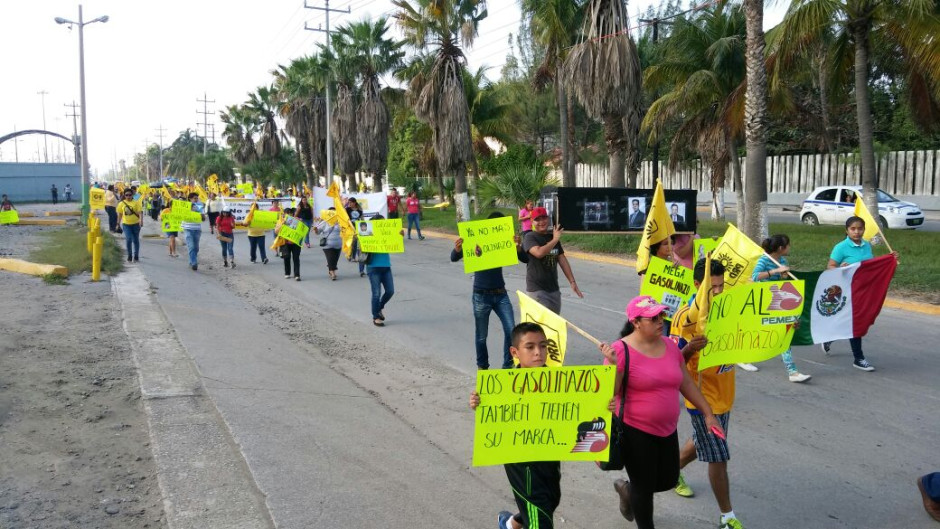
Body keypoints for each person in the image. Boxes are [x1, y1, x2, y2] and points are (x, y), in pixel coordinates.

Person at [602, 296, 724, 529]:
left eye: (661, 316)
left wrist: (708, 414)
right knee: (644, 487)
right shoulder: (619, 351)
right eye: (653, 318)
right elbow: (611, 393)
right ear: (636, 322)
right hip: (634, 428)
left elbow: (685, 382)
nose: (661, 321)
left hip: (667, 428)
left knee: (668, 478)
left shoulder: (669, 346)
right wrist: (613, 365)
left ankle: (628, 489)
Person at [670, 259, 744, 529]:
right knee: (718, 455)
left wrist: (783, 328)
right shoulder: (685, 317)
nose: (719, 292)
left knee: (703, 443)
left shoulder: (730, 308)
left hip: (725, 395)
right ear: (697, 286)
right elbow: (673, 360)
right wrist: (690, 348)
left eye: (722, 286)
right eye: (712, 288)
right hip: (702, 401)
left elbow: (750, 335)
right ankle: (728, 517)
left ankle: (662, 474)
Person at [469, 323, 561, 529]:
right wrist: (478, 404)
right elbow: (493, 413)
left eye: (543, 346)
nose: (538, 352)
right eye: (530, 347)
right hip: (521, 461)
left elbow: (581, 407)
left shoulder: (559, 381)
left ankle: (511, 523)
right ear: (515, 352)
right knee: (539, 516)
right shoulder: (503, 385)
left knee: (551, 499)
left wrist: (603, 405)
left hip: (549, 456)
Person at [821, 216, 899, 371]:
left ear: (864, 229)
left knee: (854, 319)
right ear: (847, 230)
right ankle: (858, 358)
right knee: (855, 322)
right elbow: (830, 267)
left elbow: (870, 266)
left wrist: (890, 260)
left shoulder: (866, 246)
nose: (857, 232)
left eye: (860, 228)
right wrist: (841, 268)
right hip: (848, 290)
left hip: (865, 290)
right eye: (853, 229)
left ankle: (830, 337)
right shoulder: (841, 247)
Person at [450, 211, 517, 370]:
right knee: (481, 335)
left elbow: (522, 257)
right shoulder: (476, 239)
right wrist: (458, 248)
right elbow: (453, 257)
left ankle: (507, 367)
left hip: (501, 293)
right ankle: (483, 366)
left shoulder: (504, 243)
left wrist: (518, 246)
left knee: (512, 330)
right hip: (481, 295)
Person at [749, 234, 811, 382]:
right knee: (759, 332)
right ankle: (742, 357)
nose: (790, 247)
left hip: (776, 302)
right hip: (763, 302)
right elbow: (755, 276)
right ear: (780, 248)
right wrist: (775, 271)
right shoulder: (765, 260)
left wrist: (783, 276)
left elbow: (780, 281)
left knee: (783, 333)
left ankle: (792, 372)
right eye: (788, 245)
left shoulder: (782, 260)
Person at [523, 207, 583, 313]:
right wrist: (555, 240)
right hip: (537, 290)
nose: (541, 222)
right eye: (538, 220)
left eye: (544, 218)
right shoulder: (530, 237)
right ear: (532, 221)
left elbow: (562, 259)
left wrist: (572, 282)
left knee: (553, 326)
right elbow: (539, 253)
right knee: (540, 327)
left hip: (553, 290)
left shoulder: (552, 237)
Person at [366, 214, 399, 326]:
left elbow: (394, 241)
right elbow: (362, 247)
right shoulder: (368, 232)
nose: (384, 224)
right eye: (381, 222)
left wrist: (399, 235)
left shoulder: (386, 232)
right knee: (376, 293)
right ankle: (375, 317)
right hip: (373, 267)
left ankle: (379, 307)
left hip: (386, 266)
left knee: (390, 291)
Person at [314, 208, 342, 280]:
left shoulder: (340, 222)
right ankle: (332, 273)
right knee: (330, 258)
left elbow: (345, 231)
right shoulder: (324, 222)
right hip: (327, 244)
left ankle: (331, 269)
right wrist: (316, 230)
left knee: (335, 259)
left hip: (338, 244)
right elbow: (318, 232)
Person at [182, 192, 207, 271]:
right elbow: (179, 216)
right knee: (191, 246)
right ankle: (194, 263)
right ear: (190, 199)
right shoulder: (184, 207)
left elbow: (203, 219)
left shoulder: (199, 207)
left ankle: (191, 260)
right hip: (188, 229)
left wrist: (201, 214)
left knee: (196, 248)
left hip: (197, 230)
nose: (196, 200)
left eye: (197, 198)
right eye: (195, 198)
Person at [276, 207, 302, 281]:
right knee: (286, 258)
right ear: (284, 214)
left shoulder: (296, 220)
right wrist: (282, 224)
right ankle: (287, 273)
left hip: (295, 242)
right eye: (287, 214)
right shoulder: (280, 221)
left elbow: (302, 229)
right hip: (285, 243)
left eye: (290, 214)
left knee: (296, 258)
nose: (288, 215)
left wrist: (300, 222)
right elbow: (276, 231)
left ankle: (297, 275)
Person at [117, 189, 143, 262]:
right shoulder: (121, 204)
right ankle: (129, 255)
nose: (128, 196)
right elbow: (120, 214)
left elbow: (140, 212)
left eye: (130, 195)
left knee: (135, 240)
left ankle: (136, 255)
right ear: (124, 195)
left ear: (132, 195)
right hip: (126, 224)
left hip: (136, 224)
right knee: (128, 239)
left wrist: (141, 221)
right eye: (126, 195)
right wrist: (118, 224)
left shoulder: (136, 203)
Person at [346, 198, 367, 277]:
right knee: (352, 244)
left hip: (359, 230)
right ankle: (351, 255)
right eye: (349, 202)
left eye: (351, 202)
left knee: (361, 250)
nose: (349, 204)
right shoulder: (347, 210)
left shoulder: (360, 210)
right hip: (350, 230)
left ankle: (361, 270)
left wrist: (364, 229)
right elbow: (345, 218)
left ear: (354, 203)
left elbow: (362, 219)